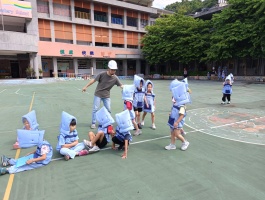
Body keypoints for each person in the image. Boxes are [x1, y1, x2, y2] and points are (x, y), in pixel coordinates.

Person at [82, 60, 123, 129]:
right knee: (95, 109)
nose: (113, 71)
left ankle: (108, 122)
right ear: (109, 69)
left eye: (115, 70)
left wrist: (129, 89)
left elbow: (121, 86)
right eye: (112, 70)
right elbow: (93, 80)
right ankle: (93, 123)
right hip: (98, 94)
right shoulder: (102, 74)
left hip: (106, 96)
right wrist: (85, 86)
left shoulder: (115, 78)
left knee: (108, 110)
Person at [165, 80, 191, 151]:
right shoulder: (175, 103)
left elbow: (181, 115)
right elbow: (174, 109)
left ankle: (185, 142)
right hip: (173, 119)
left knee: (176, 133)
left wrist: (177, 122)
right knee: (172, 133)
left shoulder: (182, 105)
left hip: (177, 121)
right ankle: (172, 145)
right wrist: (171, 113)